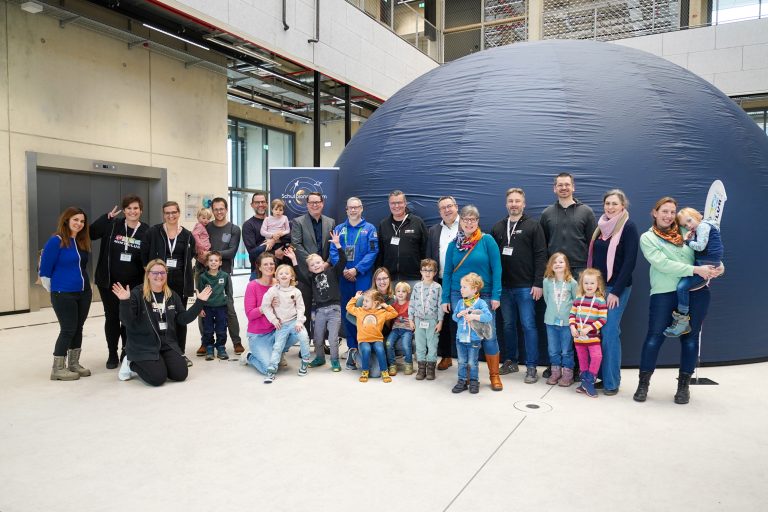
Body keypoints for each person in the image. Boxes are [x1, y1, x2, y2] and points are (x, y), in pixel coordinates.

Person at [634, 197, 722, 405]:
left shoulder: (687, 231)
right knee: (654, 337)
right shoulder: (648, 238)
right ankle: (643, 384)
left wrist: (718, 268)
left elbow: (709, 253)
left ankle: (683, 387)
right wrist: (695, 270)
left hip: (697, 291)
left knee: (690, 339)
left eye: (672, 212)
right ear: (654, 213)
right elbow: (663, 264)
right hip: (664, 293)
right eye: (664, 211)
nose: (668, 216)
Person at [113, 260, 212, 386]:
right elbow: (127, 321)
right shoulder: (137, 294)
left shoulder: (171, 295)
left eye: (162, 272)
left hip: (166, 344)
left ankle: (159, 362)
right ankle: (131, 363)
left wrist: (199, 302)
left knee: (180, 374)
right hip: (144, 346)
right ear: (147, 274)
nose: (159, 276)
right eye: (155, 272)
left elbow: (183, 319)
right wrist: (125, 301)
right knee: (157, 379)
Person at [441, 205, 503, 391]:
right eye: (466, 219)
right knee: (464, 335)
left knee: (488, 335)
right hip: (458, 294)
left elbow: (497, 268)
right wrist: (445, 298)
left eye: (473, 219)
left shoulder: (487, 241)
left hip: (484, 294)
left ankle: (494, 375)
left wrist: (496, 295)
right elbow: (447, 273)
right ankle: (466, 376)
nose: (469, 223)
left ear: (478, 221)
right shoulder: (453, 245)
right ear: (461, 221)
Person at [585, 189, 639, 395]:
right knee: (598, 332)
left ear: (622, 206)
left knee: (609, 332)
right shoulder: (600, 227)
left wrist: (615, 291)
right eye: (607, 203)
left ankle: (612, 382)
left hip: (617, 288)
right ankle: (602, 377)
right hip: (598, 289)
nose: (610, 207)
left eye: (614, 204)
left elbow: (630, 261)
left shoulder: (628, 227)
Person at [490, 188, 547, 382]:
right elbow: (492, 259)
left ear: (524, 204)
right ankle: (510, 361)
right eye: (511, 201)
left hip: (526, 287)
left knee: (529, 325)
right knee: (507, 325)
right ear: (506, 204)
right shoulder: (498, 227)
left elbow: (541, 255)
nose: (514, 204)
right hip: (504, 288)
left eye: (517, 201)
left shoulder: (533, 225)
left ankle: (531, 366)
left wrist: (538, 283)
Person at [89, 195, 148, 369]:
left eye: (136, 208)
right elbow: (91, 233)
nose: (132, 211)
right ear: (124, 210)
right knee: (112, 317)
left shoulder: (146, 231)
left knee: (129, 319)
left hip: (133, 285)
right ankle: (112, 353)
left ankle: (126, 350)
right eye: (129, 208)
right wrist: (106, 217)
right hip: (109, 283)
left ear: (141, 211)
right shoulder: (113, 225)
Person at [39, 207, 93, 381]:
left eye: (82, 221)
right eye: (75, 219)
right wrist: (55, 289)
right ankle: (57, 368)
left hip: (83, 292)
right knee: (68, 329)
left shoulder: (81, 241)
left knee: (78, 328)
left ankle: (74, 363)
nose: (79, 223)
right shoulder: (56, 241)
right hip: (63, 292)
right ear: (66, 220)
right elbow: (45, 270)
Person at [143, 201, 196, 366]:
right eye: (167, 213)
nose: (171, 215)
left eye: (174, 212)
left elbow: (190, 256)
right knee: (157, 316)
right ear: (163, 214)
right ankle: (158, 351)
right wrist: (152, 276)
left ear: (179, 213)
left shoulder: (187, 235)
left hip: (180, 282)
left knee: (180, 318)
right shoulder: (154, 232)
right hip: (159, 282)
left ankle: (180, 352)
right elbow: (144, 256)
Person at [329, 197, 379, 364]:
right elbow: (334, 252)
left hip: (362, 277)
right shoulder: (339, 229)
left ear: (362, 208)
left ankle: (365, 344)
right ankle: (352, 348)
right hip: (344, 278)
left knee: (365, 310)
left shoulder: (370, 229)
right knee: (348, 311)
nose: (353, 210)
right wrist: (343, 269)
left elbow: (373, 252)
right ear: (346, 209)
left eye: (356, 207)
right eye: (350, 207)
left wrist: (356, 269)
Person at [287, 239, 347, 372]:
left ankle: (334, 360)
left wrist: (338, 245)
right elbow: (300, 274)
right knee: (317, 337)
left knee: (332, 338)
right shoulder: (311, 279)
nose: (316, 266)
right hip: (320, 311)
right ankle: (320, 358)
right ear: (309, 268)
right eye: (312, 265)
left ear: (323, 263)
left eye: (318, 262)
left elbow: (343, 261)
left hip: (334, 310)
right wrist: (293, 259)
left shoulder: (332, 272)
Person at [664, 207, 724, 337]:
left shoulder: (702, 227)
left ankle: (682, 322)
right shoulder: (707, 226)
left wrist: (688, 241)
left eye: (690, 221)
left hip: (705, 263)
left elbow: (700, 246)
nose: (689, 226)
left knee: (682, 287)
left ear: (698, 215)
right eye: (685, 225)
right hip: (707, 262)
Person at [200, 197, 243, 355]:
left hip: (224, 274)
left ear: (226, 209)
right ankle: (205, 343)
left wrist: (211, 255)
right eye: (216, 209)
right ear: (212, 210)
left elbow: (231, 252)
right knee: (203, 308)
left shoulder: (234, 229)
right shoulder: (206, 227)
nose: (218, 212)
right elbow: (199, 246)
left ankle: (236, 341)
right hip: (205, 273)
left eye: (221, 208)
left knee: (229, 308)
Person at [291, 191, 336, 336]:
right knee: (305, 308)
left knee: (327, 308)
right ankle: (306, 341)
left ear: (322, 204)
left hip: (326, 271)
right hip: (306, 273)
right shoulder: (298, 222)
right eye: (311, 202)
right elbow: (296, 244)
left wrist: (327, 263)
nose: (315, 205)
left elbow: (333, 246)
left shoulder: (331, 222)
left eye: (317, 202)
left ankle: (326, 342)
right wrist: (313, 261)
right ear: (307, 205)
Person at [260, 264, 312, 383]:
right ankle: (271, 370)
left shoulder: (296, 291)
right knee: (278, 346)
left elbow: (300, 307)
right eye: (281, 273)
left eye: (286, 273)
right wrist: (274, 320)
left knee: (304, 337)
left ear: (292, 276)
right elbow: (265, 305)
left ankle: (305, 362)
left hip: (294, 321)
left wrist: (299, 322)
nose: (284, 275)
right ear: (276, 276)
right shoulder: (273, 290)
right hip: (281, 324)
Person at [426, 195, 460, 371]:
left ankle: (465, 359)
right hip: (440, 281)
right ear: (439, 211)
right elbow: (429, 257)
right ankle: (446, 356)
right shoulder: (433, 231)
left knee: (463, 320)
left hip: (462, 283)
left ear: (456, 207)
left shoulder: (466, 226)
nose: (447, 210)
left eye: (450, 206)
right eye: (443, 208)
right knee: (443, 321)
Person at [540, 173, 597, 277]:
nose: (564, 188)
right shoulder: (546, 213)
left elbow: (593, 244)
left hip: (580, 269)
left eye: (567, 184)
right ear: (555, 188)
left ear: (573, 187)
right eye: (560, 185)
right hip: (555, 268)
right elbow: (543, 244)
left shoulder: (586, 212)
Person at [345, 267, 395, 375]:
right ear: (375, 281)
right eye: (379, 279)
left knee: (404, 344)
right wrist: (366, 324)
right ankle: (354, 354)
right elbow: (349, 315)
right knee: (375, 373)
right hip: (366, 337)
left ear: (389, 279)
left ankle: (388, 359)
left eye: (385, 278)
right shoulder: (366, 298)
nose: (382, 281)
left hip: (381, 338)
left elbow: (395, 315)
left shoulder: (393, 299)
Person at [451, 273, 493, 395]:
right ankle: (462, 381)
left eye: (464, 287)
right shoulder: (460, 303)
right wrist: (458, 315)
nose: (461, 289)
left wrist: (473, 316)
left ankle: (474, 381)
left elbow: (488, 316)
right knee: (461, 361)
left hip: (474, 339)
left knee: (472, 362)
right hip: (460, 338)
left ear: (474, 289)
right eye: (461, 287)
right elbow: (454, 317)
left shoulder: (481, 303)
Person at [569, 268, 608, 398]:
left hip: (592, 337)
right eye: (586, 283)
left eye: (592, 283)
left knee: (597, 356)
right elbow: (572, 315)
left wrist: (589, 328)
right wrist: (573, 328)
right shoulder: (578, 299)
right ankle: (584, 383)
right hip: (579, 338)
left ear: (598, 284)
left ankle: (589, 381)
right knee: (583, 360)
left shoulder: (600, 300)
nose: (589, 286)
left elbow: (603, 319)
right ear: (582, 284)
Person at [239, 252, 281, 375]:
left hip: (276, 330)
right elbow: (250, 314)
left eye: (272, 264)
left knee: (296, 332)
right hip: (259, 334)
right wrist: (266, 306)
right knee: (269, 369)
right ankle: (249, 356)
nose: (269, 266)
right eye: (265, 264)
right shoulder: (252, 286)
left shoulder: (279, 283)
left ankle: (279, 353)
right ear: (259, 267)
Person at [346, 290, 399, 383]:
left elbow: (394, 313)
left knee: (380, 350)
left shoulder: (381, 313)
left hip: (377, 339)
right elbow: (349, 307)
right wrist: (355, 298)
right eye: (363, 300)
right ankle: (365, 371)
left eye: (366, 301)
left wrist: (385, 305)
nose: (363, 303)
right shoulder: (360, 311)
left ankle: (384, 371)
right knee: (366, 350)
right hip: (363, 340)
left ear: (375, 303)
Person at [376, 190, 428, 285]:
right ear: (389, 204)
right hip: (388, 280)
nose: (396, 206)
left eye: (399, 202)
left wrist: (426, 273)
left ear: (405, 203)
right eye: (393, 203)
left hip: (414, 278)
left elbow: (426, 250)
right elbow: (380, 253)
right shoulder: (383, 225)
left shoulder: (417, 222)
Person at [542, 253, 578, 387]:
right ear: (550, 266)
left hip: (567, 323)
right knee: (553, 349)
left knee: (566, 350)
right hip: (551, 321)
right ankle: (555, 372)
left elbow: (576, 302)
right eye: (555, 262)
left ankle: (568, 374)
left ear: (566, 265)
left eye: (561, 262)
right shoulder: (547, 282)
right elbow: (546, 299)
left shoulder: (572, 283)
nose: (558, 264)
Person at [408, 258, 444, 381]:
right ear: (421, 272)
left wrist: (440, 321)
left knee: (432, 345)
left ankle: (430, 369)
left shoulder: (438, 287)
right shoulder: (417, 286)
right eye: (425, 270)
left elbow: (440, 305)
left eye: (430, 270)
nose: (427, 273)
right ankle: (421, 369)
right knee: (420, 345)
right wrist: (411, 320)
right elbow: (412, 303)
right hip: (418, 320)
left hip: (432, 321)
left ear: (435, 272)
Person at [197, 251, 232, 361]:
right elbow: (199, 294)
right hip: (207, 307)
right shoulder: (202, 277)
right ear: (207, 263)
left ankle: (221, 347)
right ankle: (209, 347)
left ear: (220, 263)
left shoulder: (225, 276)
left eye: (216, 260)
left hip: (221, 307)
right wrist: (200, 308)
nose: (213, 262)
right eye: (211, 260)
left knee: (221, 327)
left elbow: (229, 292)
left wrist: (228, 304)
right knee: (208, 329)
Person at [243, 191, 283, 281]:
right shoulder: (248, 225)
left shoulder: (278, 220)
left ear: (267, 204)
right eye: (257, 202)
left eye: (263, 202)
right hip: (258, 273)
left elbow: (287, 238)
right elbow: (252, 252)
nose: (260, 204)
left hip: (279, 271)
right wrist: (273, 248)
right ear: (252, 205)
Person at [385, 282, 414, 376]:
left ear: (408, 292)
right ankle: (392, 365)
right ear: (395, 293)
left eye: (403, 291)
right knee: (388, 344)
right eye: (398, 291)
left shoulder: (410, 304)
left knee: (406, 345)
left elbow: (414, 316)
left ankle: (408, 364)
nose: (400, 293)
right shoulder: (393, 306)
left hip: (407, 330)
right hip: (395, 329)